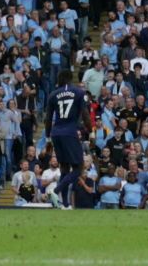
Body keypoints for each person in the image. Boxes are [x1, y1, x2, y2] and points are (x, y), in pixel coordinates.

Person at [48, 68, 89, 209]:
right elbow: (84, 113)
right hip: (70, 132)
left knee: (64, 168)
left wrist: (48, 136)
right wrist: (90, 129)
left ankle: (64, 204)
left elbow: (48, 118)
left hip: (56, 133)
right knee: (78, 167)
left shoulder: (53, 94)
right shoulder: (78, 92)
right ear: (71, 78)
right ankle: (56, 190)